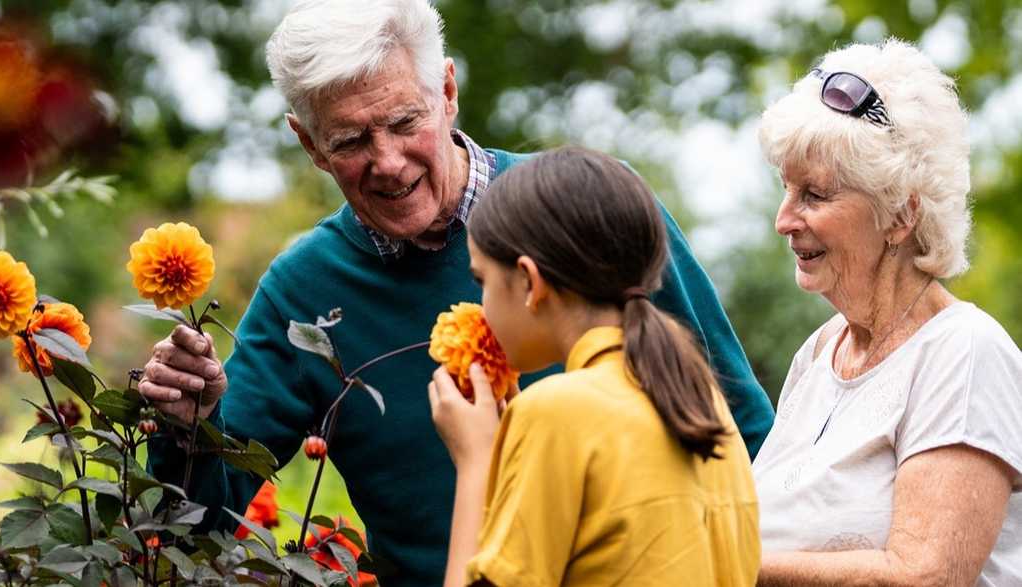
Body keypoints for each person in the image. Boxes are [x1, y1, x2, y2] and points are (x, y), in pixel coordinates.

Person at [138, 1, 773, 585]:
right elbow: (200, 531)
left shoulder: (593, 211)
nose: (387, 161)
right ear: (310, 146)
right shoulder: (301, 292)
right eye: (351, 140)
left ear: (446, 92)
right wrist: (188, 427)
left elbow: (748, 438)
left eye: (403, 121)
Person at [751, 39, 1022, 586]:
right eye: (786, 189)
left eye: (814, 195)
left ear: (900, 215)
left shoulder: (964, 352)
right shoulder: (820, 352)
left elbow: (925, 577)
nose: (784, 219)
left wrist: (713, 562)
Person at [428, 146, 760, 587]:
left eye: (482, 280)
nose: (481, 306)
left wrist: (477, 465)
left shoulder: (554, 412)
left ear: (529, 281)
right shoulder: (704, 404)